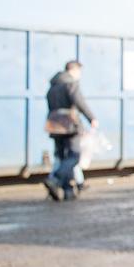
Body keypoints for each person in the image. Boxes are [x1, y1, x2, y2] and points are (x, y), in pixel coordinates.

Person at [44, 61, 98, 201]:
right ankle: (55, 179)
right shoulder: (70, 83)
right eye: (79, 72)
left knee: (62, 157)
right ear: (74, 70)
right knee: (74, 156)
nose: (80, 75)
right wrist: (91, 118)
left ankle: (68, 191)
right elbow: (79, 102)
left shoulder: (53, 85)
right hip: (69, 124)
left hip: (54, 124)